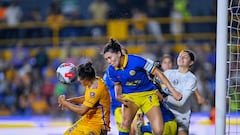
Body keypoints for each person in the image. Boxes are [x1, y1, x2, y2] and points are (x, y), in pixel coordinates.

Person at [102, 38, 182, 135]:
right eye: (106, 59)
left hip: (148, 95)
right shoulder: (111, 70)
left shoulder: (137, 60)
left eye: (110, 57)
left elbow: (158, 73)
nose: (109, 61)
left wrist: (173, 91)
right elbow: (117, 84)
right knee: (125, 125)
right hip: (130, 97)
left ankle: (142, 128)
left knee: (159, 131)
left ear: (119, 53)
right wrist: (118, 95)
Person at [58, 62, 110, 135]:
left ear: (86, 78)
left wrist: (65, 103)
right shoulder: (94, 81)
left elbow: (82, 111)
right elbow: (88, 99)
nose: (78, 80)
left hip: (98, 124)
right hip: (86, 120)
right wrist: (71, 100)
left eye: (79, 78)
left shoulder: (96, 89)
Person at [163, 50, 198, 135]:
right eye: (179, 56)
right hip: (165, 116)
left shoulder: (191, 79)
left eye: (185, 57)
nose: (181, 58)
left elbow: (181, 102)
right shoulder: (168, 73)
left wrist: (164, 97)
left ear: (191, 62)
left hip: (181, 118)